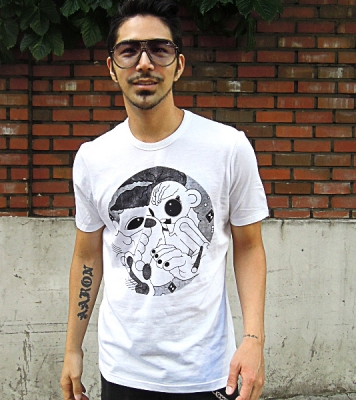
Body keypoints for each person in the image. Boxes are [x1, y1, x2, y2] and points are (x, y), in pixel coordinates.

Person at [60, 1, 269, 399]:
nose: (144, 63)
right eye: (129, 51)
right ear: (112, 68)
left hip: (207, 369)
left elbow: (249, 246)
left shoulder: (227, 147)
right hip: (123, 368)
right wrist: (73, 348)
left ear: (179, 65)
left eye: (159, 49)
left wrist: (254, 339)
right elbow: (87, 256)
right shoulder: (93, 158)